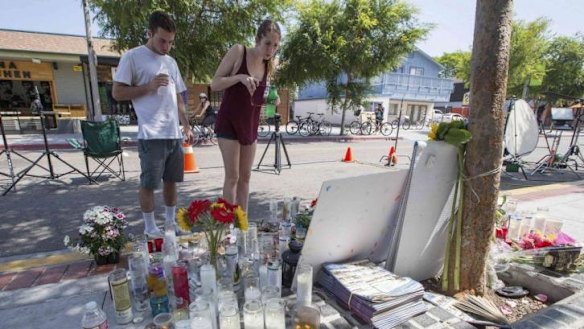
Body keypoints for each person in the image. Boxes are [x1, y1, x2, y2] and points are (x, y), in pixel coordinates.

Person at [112, 11, 194, 236]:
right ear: (150, 33)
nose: (166, 46)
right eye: (162, 40)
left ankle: (169, 224)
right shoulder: (133, 57)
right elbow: (117, 92)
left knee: (172, 181)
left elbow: (177, 96)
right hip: (151, 133)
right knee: (149, 183)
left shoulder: (171, 62)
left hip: (173, 133)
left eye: (170, 42)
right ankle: (149, 227)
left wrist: (186, 124)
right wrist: (148, 87)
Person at [211, 19, 281, 212]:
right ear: (257, 39)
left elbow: (256, 99)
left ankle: (242, 227)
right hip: (229, 123)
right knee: (232, 177)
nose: (270, 50)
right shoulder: (239, 51)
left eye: (275, 46)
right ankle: (226, 228)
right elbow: (214, 84)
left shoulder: (269, 66)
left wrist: (272, 101)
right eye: (267, 43)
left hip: (250, 125)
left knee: (246, 177)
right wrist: (240, 78)